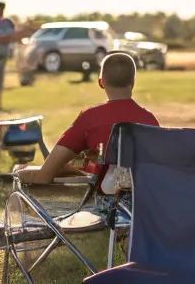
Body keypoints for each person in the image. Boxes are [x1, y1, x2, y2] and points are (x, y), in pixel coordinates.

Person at [14, 52, 157, 187]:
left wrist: (17, 174)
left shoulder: (90, 119)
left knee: (19, 172)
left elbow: (44, 176)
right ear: (133, 82)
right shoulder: (150, 121)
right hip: (142, 201)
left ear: (101, 83)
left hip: (102, 203)